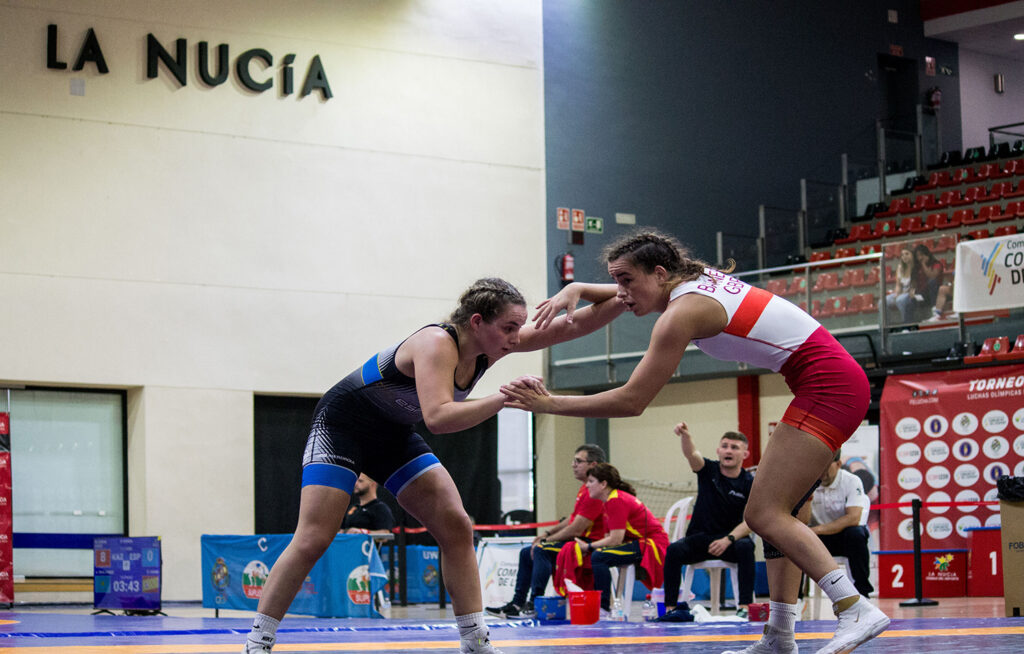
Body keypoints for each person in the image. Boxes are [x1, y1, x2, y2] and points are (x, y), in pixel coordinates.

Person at [502, 230, 890, 654]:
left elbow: (632, 401)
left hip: (828, 388)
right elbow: (600, 306)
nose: (620, 293)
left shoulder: (680, 315)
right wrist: (572, 291)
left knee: (762, 513)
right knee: (781, 514)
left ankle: (853, 606)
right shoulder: (688, 280)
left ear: (660, 273)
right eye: (616, 281)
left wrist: (548, 403)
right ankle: (779, 636)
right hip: (827, 382)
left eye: (627, 281)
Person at [243, 277, 625, 654]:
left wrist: (604, 292)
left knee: (457, 526)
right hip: (342, 426)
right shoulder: (436, 342)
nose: (515, 337)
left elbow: (573, 325)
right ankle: (258, 641)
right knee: (313, 537)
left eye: (518, 328)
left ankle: (475, 642)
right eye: (509, 328)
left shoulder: (496, 342)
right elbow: (439, 419)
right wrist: (504, 398)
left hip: (391, 433)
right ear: (477, 322)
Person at [485, 444, 607, 619]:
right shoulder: (584, 488)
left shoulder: (595, 491)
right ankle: (517, 603)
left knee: (542, 550)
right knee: (526, 553)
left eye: (578, 461)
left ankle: (535, 604)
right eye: (574, 460)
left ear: (593, 465)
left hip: (588, 545)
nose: (573, 464)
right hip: (576, 542)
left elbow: (577, 528)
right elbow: (571, 519)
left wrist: (545, 542)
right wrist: (547, 534)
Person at [657, 424, 755, 622]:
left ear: (745, 453)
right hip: (700, 539)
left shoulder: (749, 482)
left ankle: (744, 607)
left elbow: (753, 520)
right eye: (725, 446)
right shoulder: (707, 470)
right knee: (674, 550)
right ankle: (672, 608)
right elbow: (691, 453)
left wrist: (728, 539)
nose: (728, 450)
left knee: (746, 546)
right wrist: (685, 435)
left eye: (734, 447)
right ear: (719, 450)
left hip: (729, 541)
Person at [561, 462, 668, 615]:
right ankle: (595, 601)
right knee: (599, 554)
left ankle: (603, 607)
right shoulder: (608, 502)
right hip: (640, 543)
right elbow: (608, 539)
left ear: (603, 484)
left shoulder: (616, 500)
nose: (587, 486)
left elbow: (615, 540)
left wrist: (588, 547)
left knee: (599, 557)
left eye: (591, 482)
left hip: (652, 545)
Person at [810, 450, 873, 598]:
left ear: (838, 464)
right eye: (819, 467)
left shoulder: (852, 481)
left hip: (842, 537)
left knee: (857, 533)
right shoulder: (809, 482)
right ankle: (796, 600)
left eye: (826, 467)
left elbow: (853, 518)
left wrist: (818, 529)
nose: (822, 472)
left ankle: (863, 593)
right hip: (818, 540)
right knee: (794, 541)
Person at [884, 246, 923, 324]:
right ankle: (886, 325)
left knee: (900, 300)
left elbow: (915, 287)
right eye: (902, 255)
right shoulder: (900, 268)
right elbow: (898, 285)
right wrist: (897, 293)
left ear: (912, 255)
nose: (904, 256)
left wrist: (900, 295)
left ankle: (906, 323)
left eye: (907, 254)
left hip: (912, 293)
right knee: (883, 301)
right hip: (902, 292)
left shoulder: (917, 268)